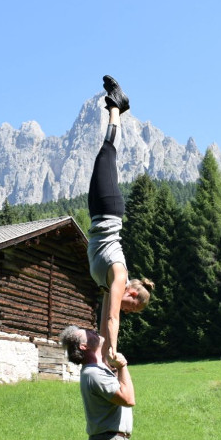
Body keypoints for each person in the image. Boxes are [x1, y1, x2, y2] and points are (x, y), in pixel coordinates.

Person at [87, 75, 154, 366]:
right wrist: (113, 352)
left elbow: (104, 323)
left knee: (105, 156)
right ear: (131, 292)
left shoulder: (109, 285)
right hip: (109, 210)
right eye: (132, 307)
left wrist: (103, 358)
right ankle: (117, 106)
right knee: (106, 153)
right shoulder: (119, 275)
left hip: (97, 212)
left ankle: (119, 108)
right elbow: (114, 317)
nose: (127, 311)